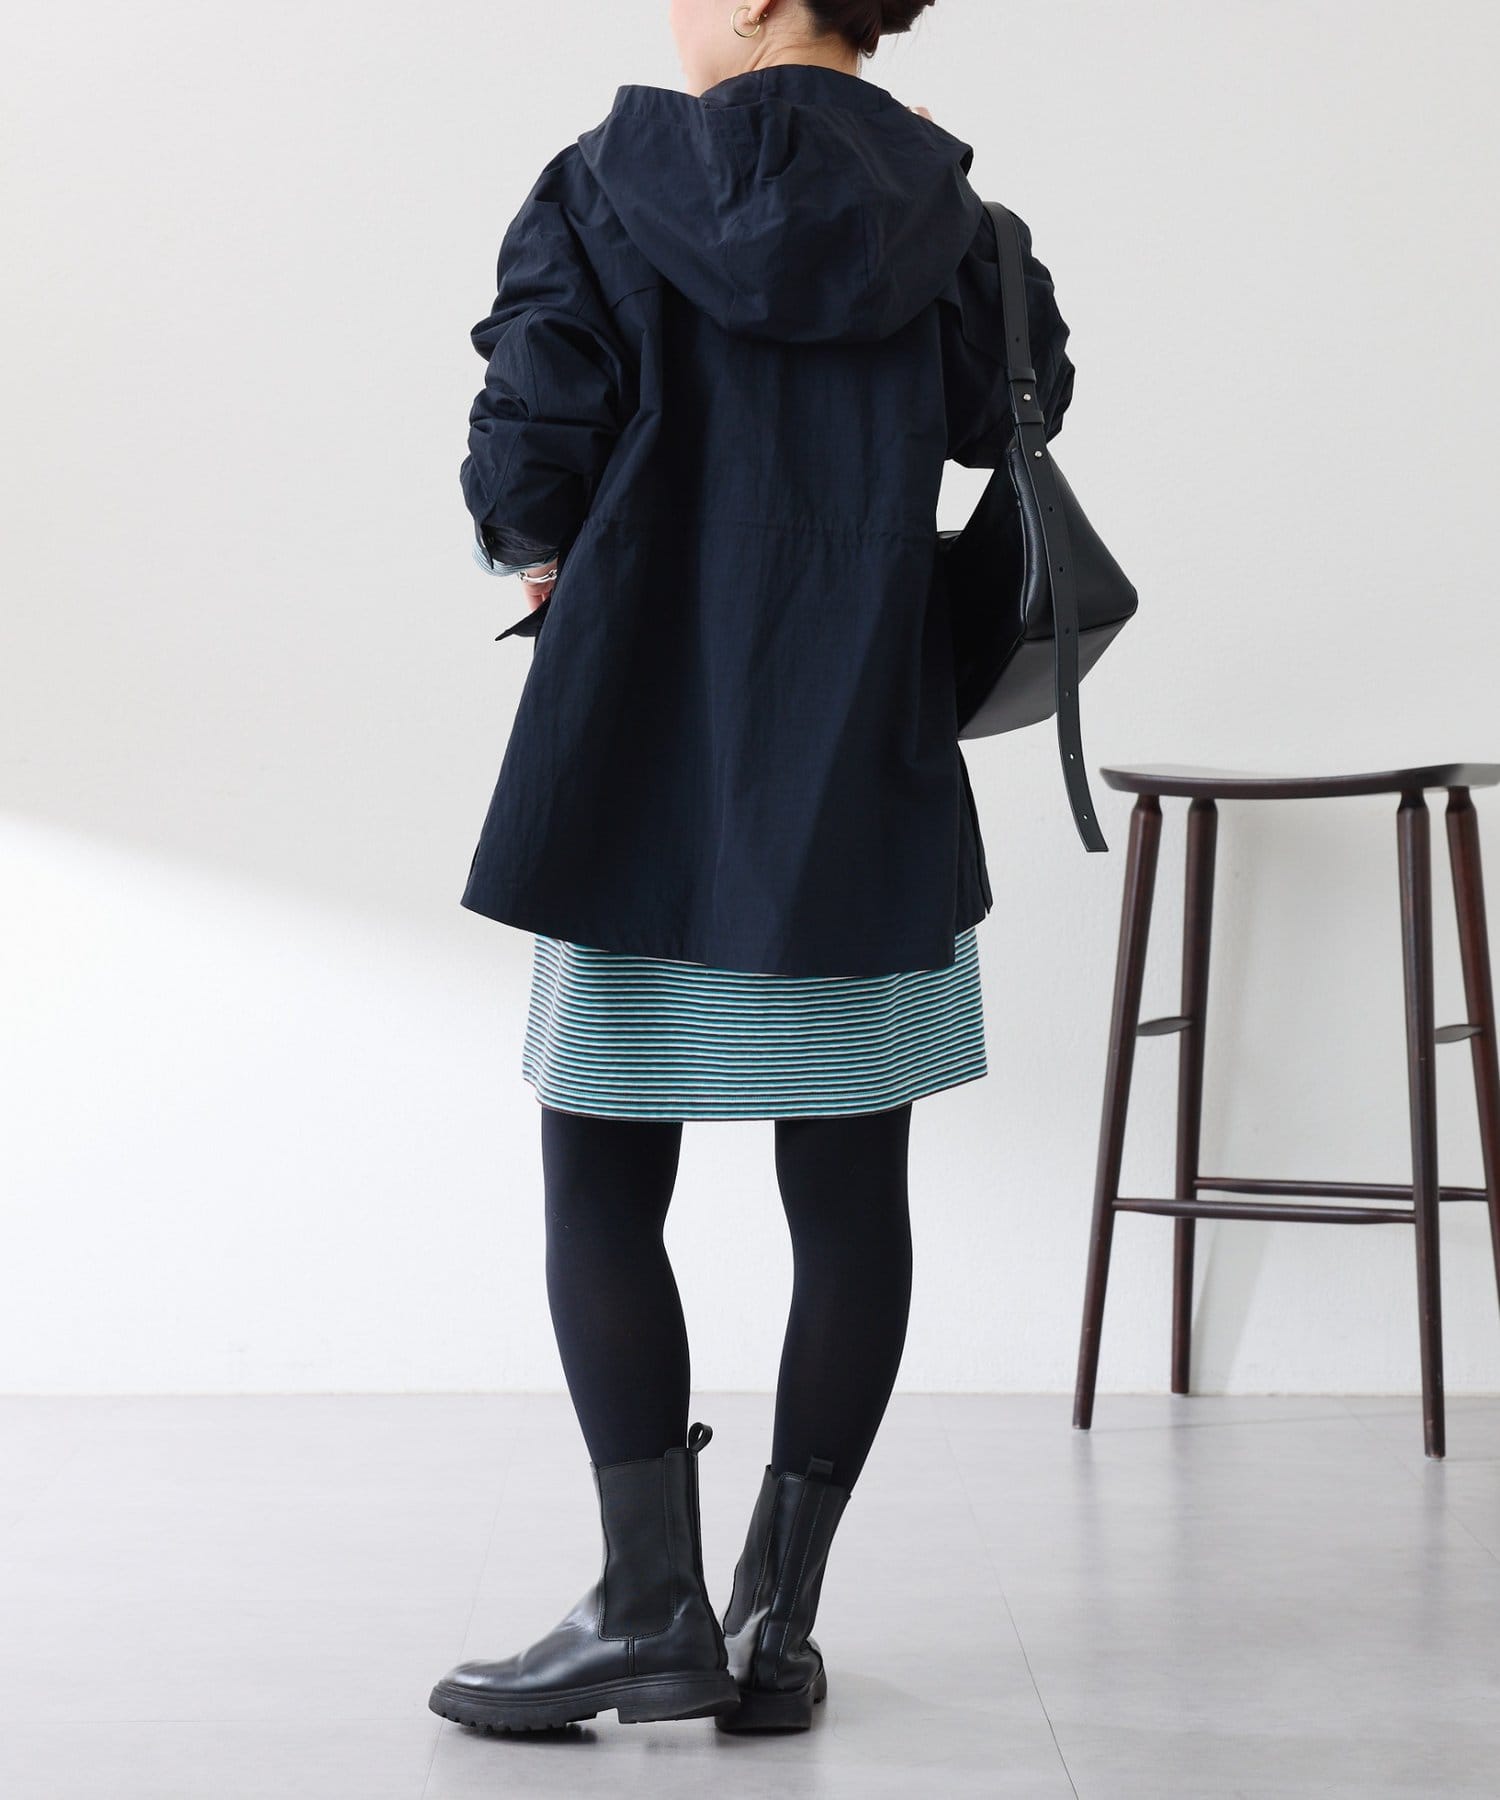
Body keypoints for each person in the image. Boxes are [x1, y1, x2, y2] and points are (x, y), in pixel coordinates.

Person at [429, 0, 1075, 1737]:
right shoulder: (957, 214)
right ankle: (773, 1626)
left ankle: (647, 1608)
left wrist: (537, 546)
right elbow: (1011, 413)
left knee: (600, 1182)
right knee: (851, 1198)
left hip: (637, 767)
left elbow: (529, 447)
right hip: (861, 771)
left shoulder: (600, 182)